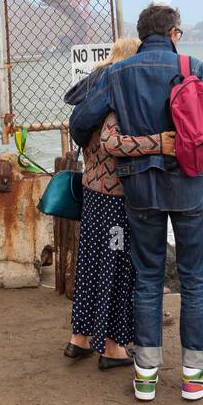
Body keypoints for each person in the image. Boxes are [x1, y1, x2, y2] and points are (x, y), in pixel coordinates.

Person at [68, 4, 203, 403]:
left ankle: (145, 377)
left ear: (142, 36)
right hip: (188, 185)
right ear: (174, 33)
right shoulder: (192, 67)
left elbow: (80, 119)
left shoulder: (118, 72)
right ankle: (194, 377)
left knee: (148, 277)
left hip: (139, 189)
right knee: (193, 279)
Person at [62, 37, 177, 369]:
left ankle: (79, 339)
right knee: (118, 269)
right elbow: (113, 142)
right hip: (115, 198)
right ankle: (111, 347)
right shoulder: (118, 93)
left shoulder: (91, 91)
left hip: (93, 192)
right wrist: (159, 143)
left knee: (92, 265)